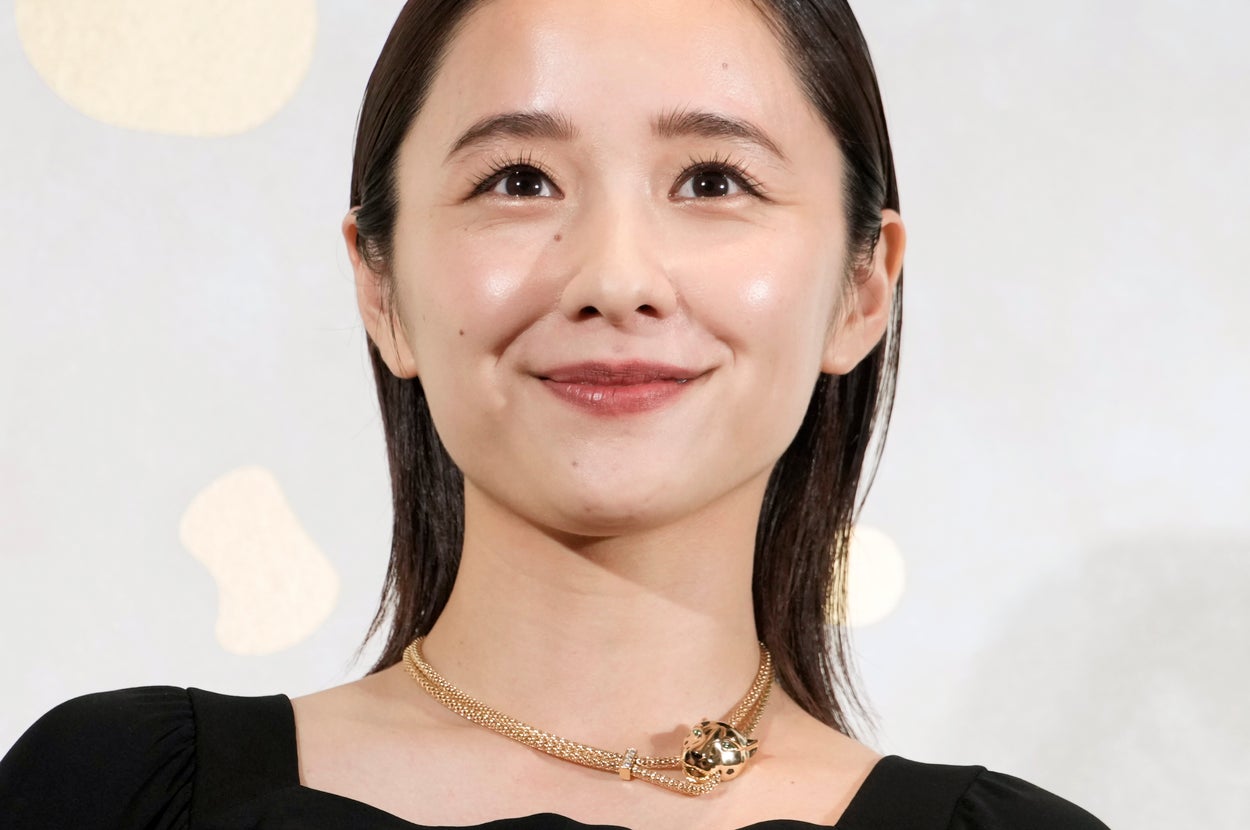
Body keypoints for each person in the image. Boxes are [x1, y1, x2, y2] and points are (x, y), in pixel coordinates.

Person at [0, 0, 1110, 827]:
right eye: (519, 179)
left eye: (713, 180)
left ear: (863, 289)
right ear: (379, 288)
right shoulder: (115, 792)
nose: (615, 278)